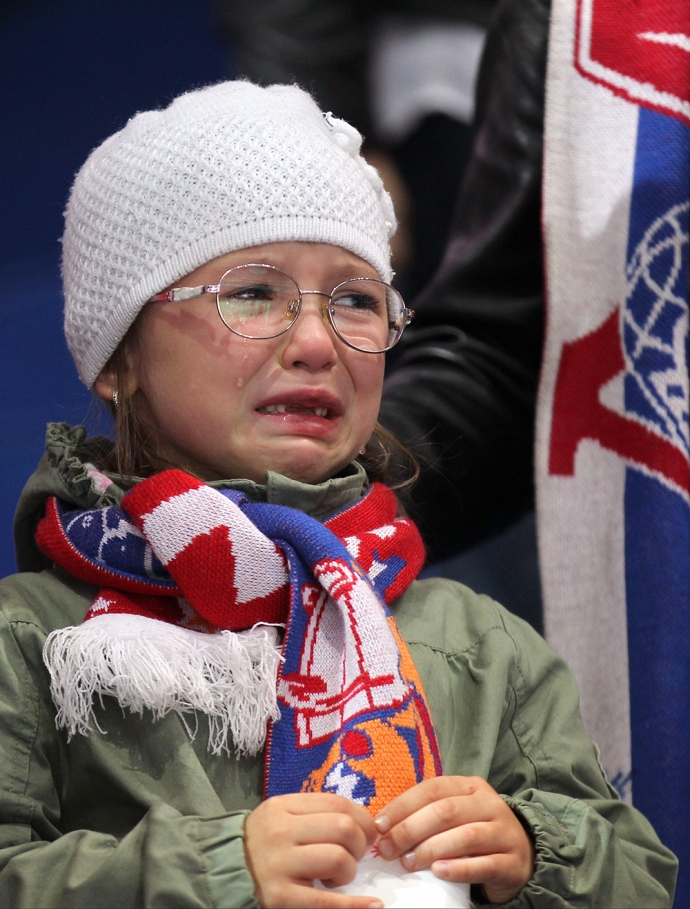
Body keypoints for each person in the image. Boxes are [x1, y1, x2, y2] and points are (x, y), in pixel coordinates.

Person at [0, 81, 676, 907]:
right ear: (119, 360)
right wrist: (218, 873)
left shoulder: (484, 645)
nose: (318, 342)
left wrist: (535, 850)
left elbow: (637, 876)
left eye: (357, 300)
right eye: (253, 293)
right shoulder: (31, 640)